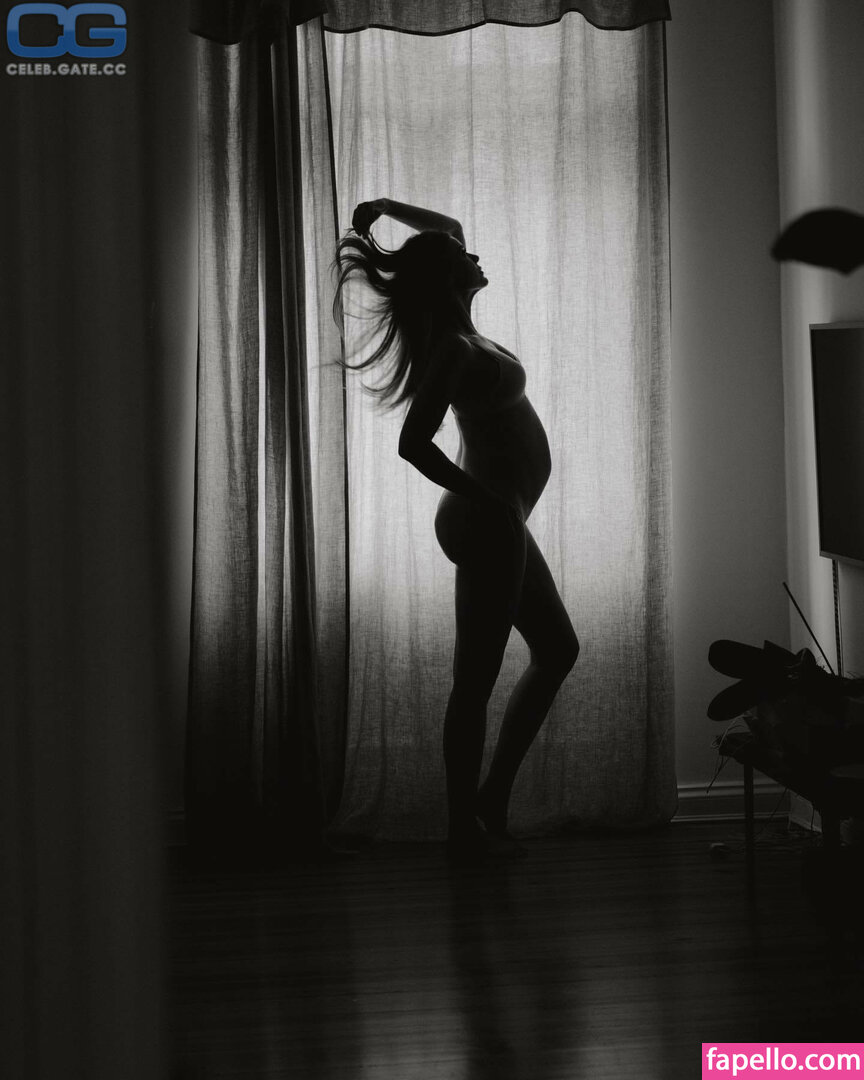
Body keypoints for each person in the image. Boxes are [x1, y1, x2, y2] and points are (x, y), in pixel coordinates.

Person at [334, 198, 579, 862]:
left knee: (558, 650)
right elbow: (413, 444)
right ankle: (461, 828)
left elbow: (447, 233)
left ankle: (490, 797)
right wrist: (486, 498)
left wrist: (387, 208)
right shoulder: (453, 349)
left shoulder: (469, 335)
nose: (473, 253)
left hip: (499, 517)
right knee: (475, 680)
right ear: (449, 279)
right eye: (462, 257)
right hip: (485, 521)